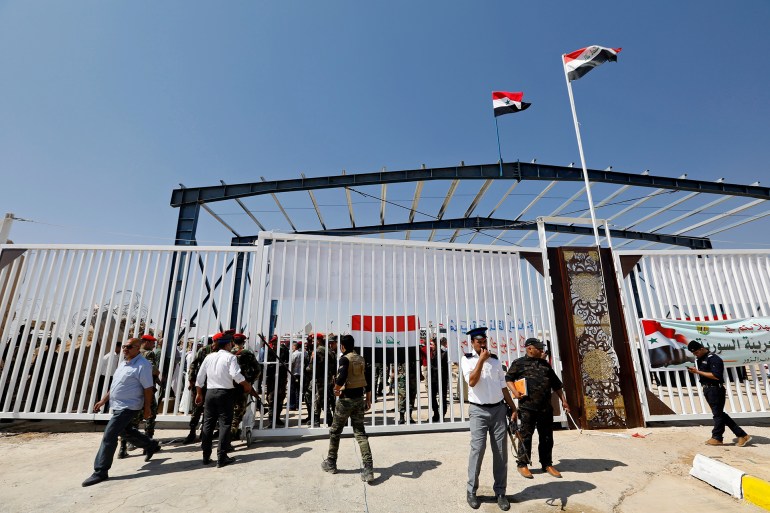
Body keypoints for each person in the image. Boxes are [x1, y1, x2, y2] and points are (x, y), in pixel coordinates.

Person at [82, 338, 162, 487]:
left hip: (129, 406)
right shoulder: (123, 364)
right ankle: (150, 445)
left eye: (129, 347)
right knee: (125, 431)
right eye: (124, 346)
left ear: (138, 348)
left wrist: (147, 409)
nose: (125, 349)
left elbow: (148, 388)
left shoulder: (142, 365)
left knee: (109, 435)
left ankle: (100, 471)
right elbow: (115, 386)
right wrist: (103, 401)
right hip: (118, 405)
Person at [462, 327, 517, 511]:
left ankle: (500, 492)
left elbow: (502, 387)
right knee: (477, 450)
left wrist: (513, 407)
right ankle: (471, 491)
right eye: (479, 341)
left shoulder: (495, 360)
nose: (483, 344)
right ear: (472, 343)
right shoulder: (467, 360)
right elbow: (472, 381)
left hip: (498, 410)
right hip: (478, 411)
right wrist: (480, 361)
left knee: (501, 452)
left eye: (484, 341)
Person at [505, 337, 570, 480]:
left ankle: (547, 464)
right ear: (529, 348)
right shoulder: (519, 364)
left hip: (545, 408)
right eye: (538, 348)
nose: (541, 350)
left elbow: (557, 385)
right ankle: (522, 464)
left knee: (547, 437)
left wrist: (564, 401)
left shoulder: (545, 365)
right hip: (528, 408)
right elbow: (508, 378)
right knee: (526, 436)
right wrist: (515, 391)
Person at [195, 331, 254, 467]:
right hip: (225, 393)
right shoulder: (230, 357)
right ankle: (222, 457)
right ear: (228, 344)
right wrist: (246, 385)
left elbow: (200, 377)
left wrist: (199, 393)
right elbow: (235, 375)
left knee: (208, 424)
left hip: (210, 393)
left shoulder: (209, 357)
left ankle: (206, 456)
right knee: (225, 424)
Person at [321, 334, 375, 483]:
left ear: (343, 346)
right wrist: (368, 399)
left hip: (345, 401)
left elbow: (341, 377)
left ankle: (331, 462)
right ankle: (368, 468)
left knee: (335, 431)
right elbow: (368, 381)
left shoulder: (345, 359)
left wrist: (336, 389)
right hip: (359, 400)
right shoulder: (361, 359)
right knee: (360, 433)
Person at [687, 341, 751, 446]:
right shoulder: (700, 359)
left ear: (702, 348)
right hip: (708, 389)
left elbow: (716, 376)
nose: (695, 354)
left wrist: (698, 372)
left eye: (697, 352)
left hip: (715, 389)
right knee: (720, 414)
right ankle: (742, 435)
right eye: (694, 353)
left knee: (718, 415)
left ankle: (717, 437)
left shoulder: (714, 359)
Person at [230, 332, 259, 441]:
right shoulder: (247, 353)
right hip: (243, 386)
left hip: (228, 386)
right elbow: (257, 369)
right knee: (239, 411)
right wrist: (250, 381)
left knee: (229, 410)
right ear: (243, 342)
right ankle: (231, 434)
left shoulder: (227, 353)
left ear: (233, 342)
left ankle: (233, 432)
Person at [428, 337, 449, 422]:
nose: (431, 346)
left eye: (432, 344)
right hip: (433, 379)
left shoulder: (444, 354)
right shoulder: (432, 354)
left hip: (441, 379)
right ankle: (436, 413)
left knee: (443, 398)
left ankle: (442, 415)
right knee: (432, 397)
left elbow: (445, 368)